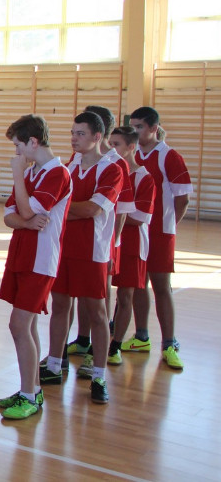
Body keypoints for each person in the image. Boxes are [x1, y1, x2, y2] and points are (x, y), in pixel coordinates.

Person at [43, 112, 122, 406]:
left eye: (80, 133)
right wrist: (67, 208)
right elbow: (58, 204)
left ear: (97, 136)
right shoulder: (69, 166)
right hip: (63, 247)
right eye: (72, 132)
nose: (74, 138)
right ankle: (54, 364)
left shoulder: (113, 169)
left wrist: (63, 207)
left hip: (93, 251)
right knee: (60, 305)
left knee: (97, 312)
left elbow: (93, 210)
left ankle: (99, 376)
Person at [0, 115, 71, 420]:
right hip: (22, 254)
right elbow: (10, 215)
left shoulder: (57, 173)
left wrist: (17, 176)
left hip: (41, 260)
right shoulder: (33, 172)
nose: (16, 153)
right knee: (27, 326)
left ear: (33, 142)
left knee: (18, 325)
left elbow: (25, 210)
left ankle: (29, 395)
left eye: (18, 146)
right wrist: (25, 220)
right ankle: (32, 388)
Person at [126, 106, 192, 370]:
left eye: (139, 127)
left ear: (154, 129)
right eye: (132, 126)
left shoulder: (169, 156)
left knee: (162, 286)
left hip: (160, 232)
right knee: (138, 284)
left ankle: (169, 343)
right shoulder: (131, 155)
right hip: (136, 230)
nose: (135, 131)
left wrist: (168, 226)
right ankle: (141, 336)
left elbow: (183, 198)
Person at [106, 126, 155, 366]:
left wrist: (113, 212)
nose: (111, 148)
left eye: (116, 144)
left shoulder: (145, 178)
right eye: (110, 143)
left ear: (131, 147)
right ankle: (92, 341)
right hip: (108, 241)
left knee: (125, 296)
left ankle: (115, 346)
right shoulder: (108, 171)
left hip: (132, 244)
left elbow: (141, 216)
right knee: (101, 294)